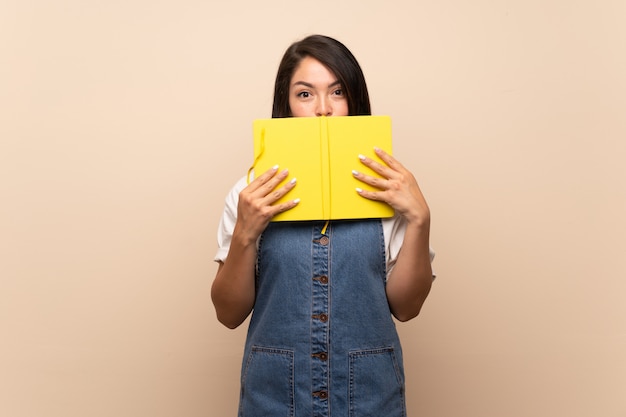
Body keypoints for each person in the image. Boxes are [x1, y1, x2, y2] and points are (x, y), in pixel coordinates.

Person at [211, 34, 434, 417]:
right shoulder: (249, 192)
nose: (323, 109)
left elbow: (407, 307)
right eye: (305, 94)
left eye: (337, 92)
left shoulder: (392, 190)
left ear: (355, 102)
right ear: (286, 104)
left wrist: (419, 220)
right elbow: (228, 314)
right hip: (274, 398)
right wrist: (245, 234)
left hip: (369, 397)